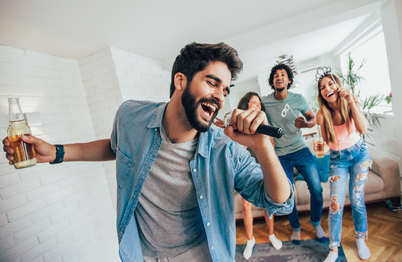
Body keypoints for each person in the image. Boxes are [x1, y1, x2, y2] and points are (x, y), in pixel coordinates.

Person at [3, 42, 294, 262]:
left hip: (201, 253)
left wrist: (263, 147)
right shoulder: (130, 116)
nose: (220, 95)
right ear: (181, 81)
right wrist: (55, 151)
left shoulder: (225, 147)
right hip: (139, 253)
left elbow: (280, 204)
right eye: (212, 82)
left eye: (226, 90)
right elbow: (116, 147)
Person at [262, 63, 326, 244]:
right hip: (280, 155)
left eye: (283, 74)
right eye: (276, 75)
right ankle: (296, 227)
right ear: (272, 82)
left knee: (317, 189)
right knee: (286, 195)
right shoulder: (265, 102)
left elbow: (312, 119)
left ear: (288, 80)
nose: (279, 77)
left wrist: (304, 124)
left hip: (300, 149)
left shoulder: (298, 99)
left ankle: (316, 222)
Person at [214, 92, 282, 260]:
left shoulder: (265, 125)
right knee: (246, 207)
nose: (257, 106)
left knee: (269, 205)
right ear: (246, 106)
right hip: (247, 168)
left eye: (259, 104)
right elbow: (235, 149)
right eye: (254, 103)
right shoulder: (238, 126)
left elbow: (271, 149)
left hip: (263, 167)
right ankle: (250, 240)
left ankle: (271, 234)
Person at [315, 73, 371, 262]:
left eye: (330, 84)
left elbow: (362, 129)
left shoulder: (350, 101)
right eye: (323, 87)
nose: (327, 88)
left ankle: (360, 239)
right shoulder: (322, 114)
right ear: (321, 94)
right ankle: (333, 248)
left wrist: (351, 101)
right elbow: (327, 142)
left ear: (337, 85)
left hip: (359, 153)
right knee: (335, 205)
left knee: (356, 199)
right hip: (338, 159)